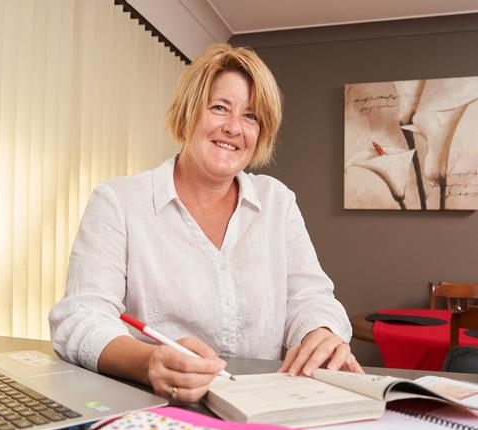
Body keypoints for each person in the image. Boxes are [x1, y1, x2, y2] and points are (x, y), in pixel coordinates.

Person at [49, 43, 362, 404]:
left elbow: (310, 297)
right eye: (219, 108)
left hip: (262, 407)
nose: (233, 128)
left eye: (251, 116)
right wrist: (149, 361)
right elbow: (80, 318)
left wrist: (319, 331)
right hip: (154, 408)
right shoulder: (117, 202)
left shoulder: (278, 202)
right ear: (188, 113)